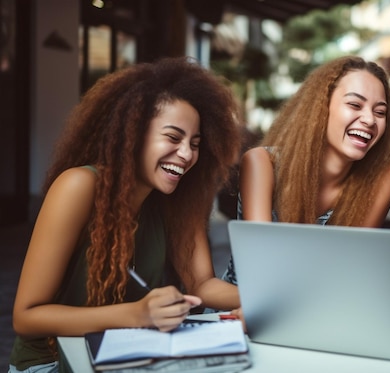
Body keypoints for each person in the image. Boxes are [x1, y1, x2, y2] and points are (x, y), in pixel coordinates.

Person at [9, 57, 242, 372]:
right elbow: (27, 317)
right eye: (173, 138)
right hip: (52, 363)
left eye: (195, 144)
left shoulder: (179, 202)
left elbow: (201, 283)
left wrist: (261, 304)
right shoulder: (78, 186)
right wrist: (138, 314)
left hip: (128, 358)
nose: (186, 154)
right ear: (132, 134)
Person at [222, 55, 390, 286]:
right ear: (321, 108)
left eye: (380, 112)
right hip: (240, 308)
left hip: (320, 307)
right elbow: (262, 267)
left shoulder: (383, 177)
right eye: (354, 105)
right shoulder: (262, 163)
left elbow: (351, 265)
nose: (369, 119)